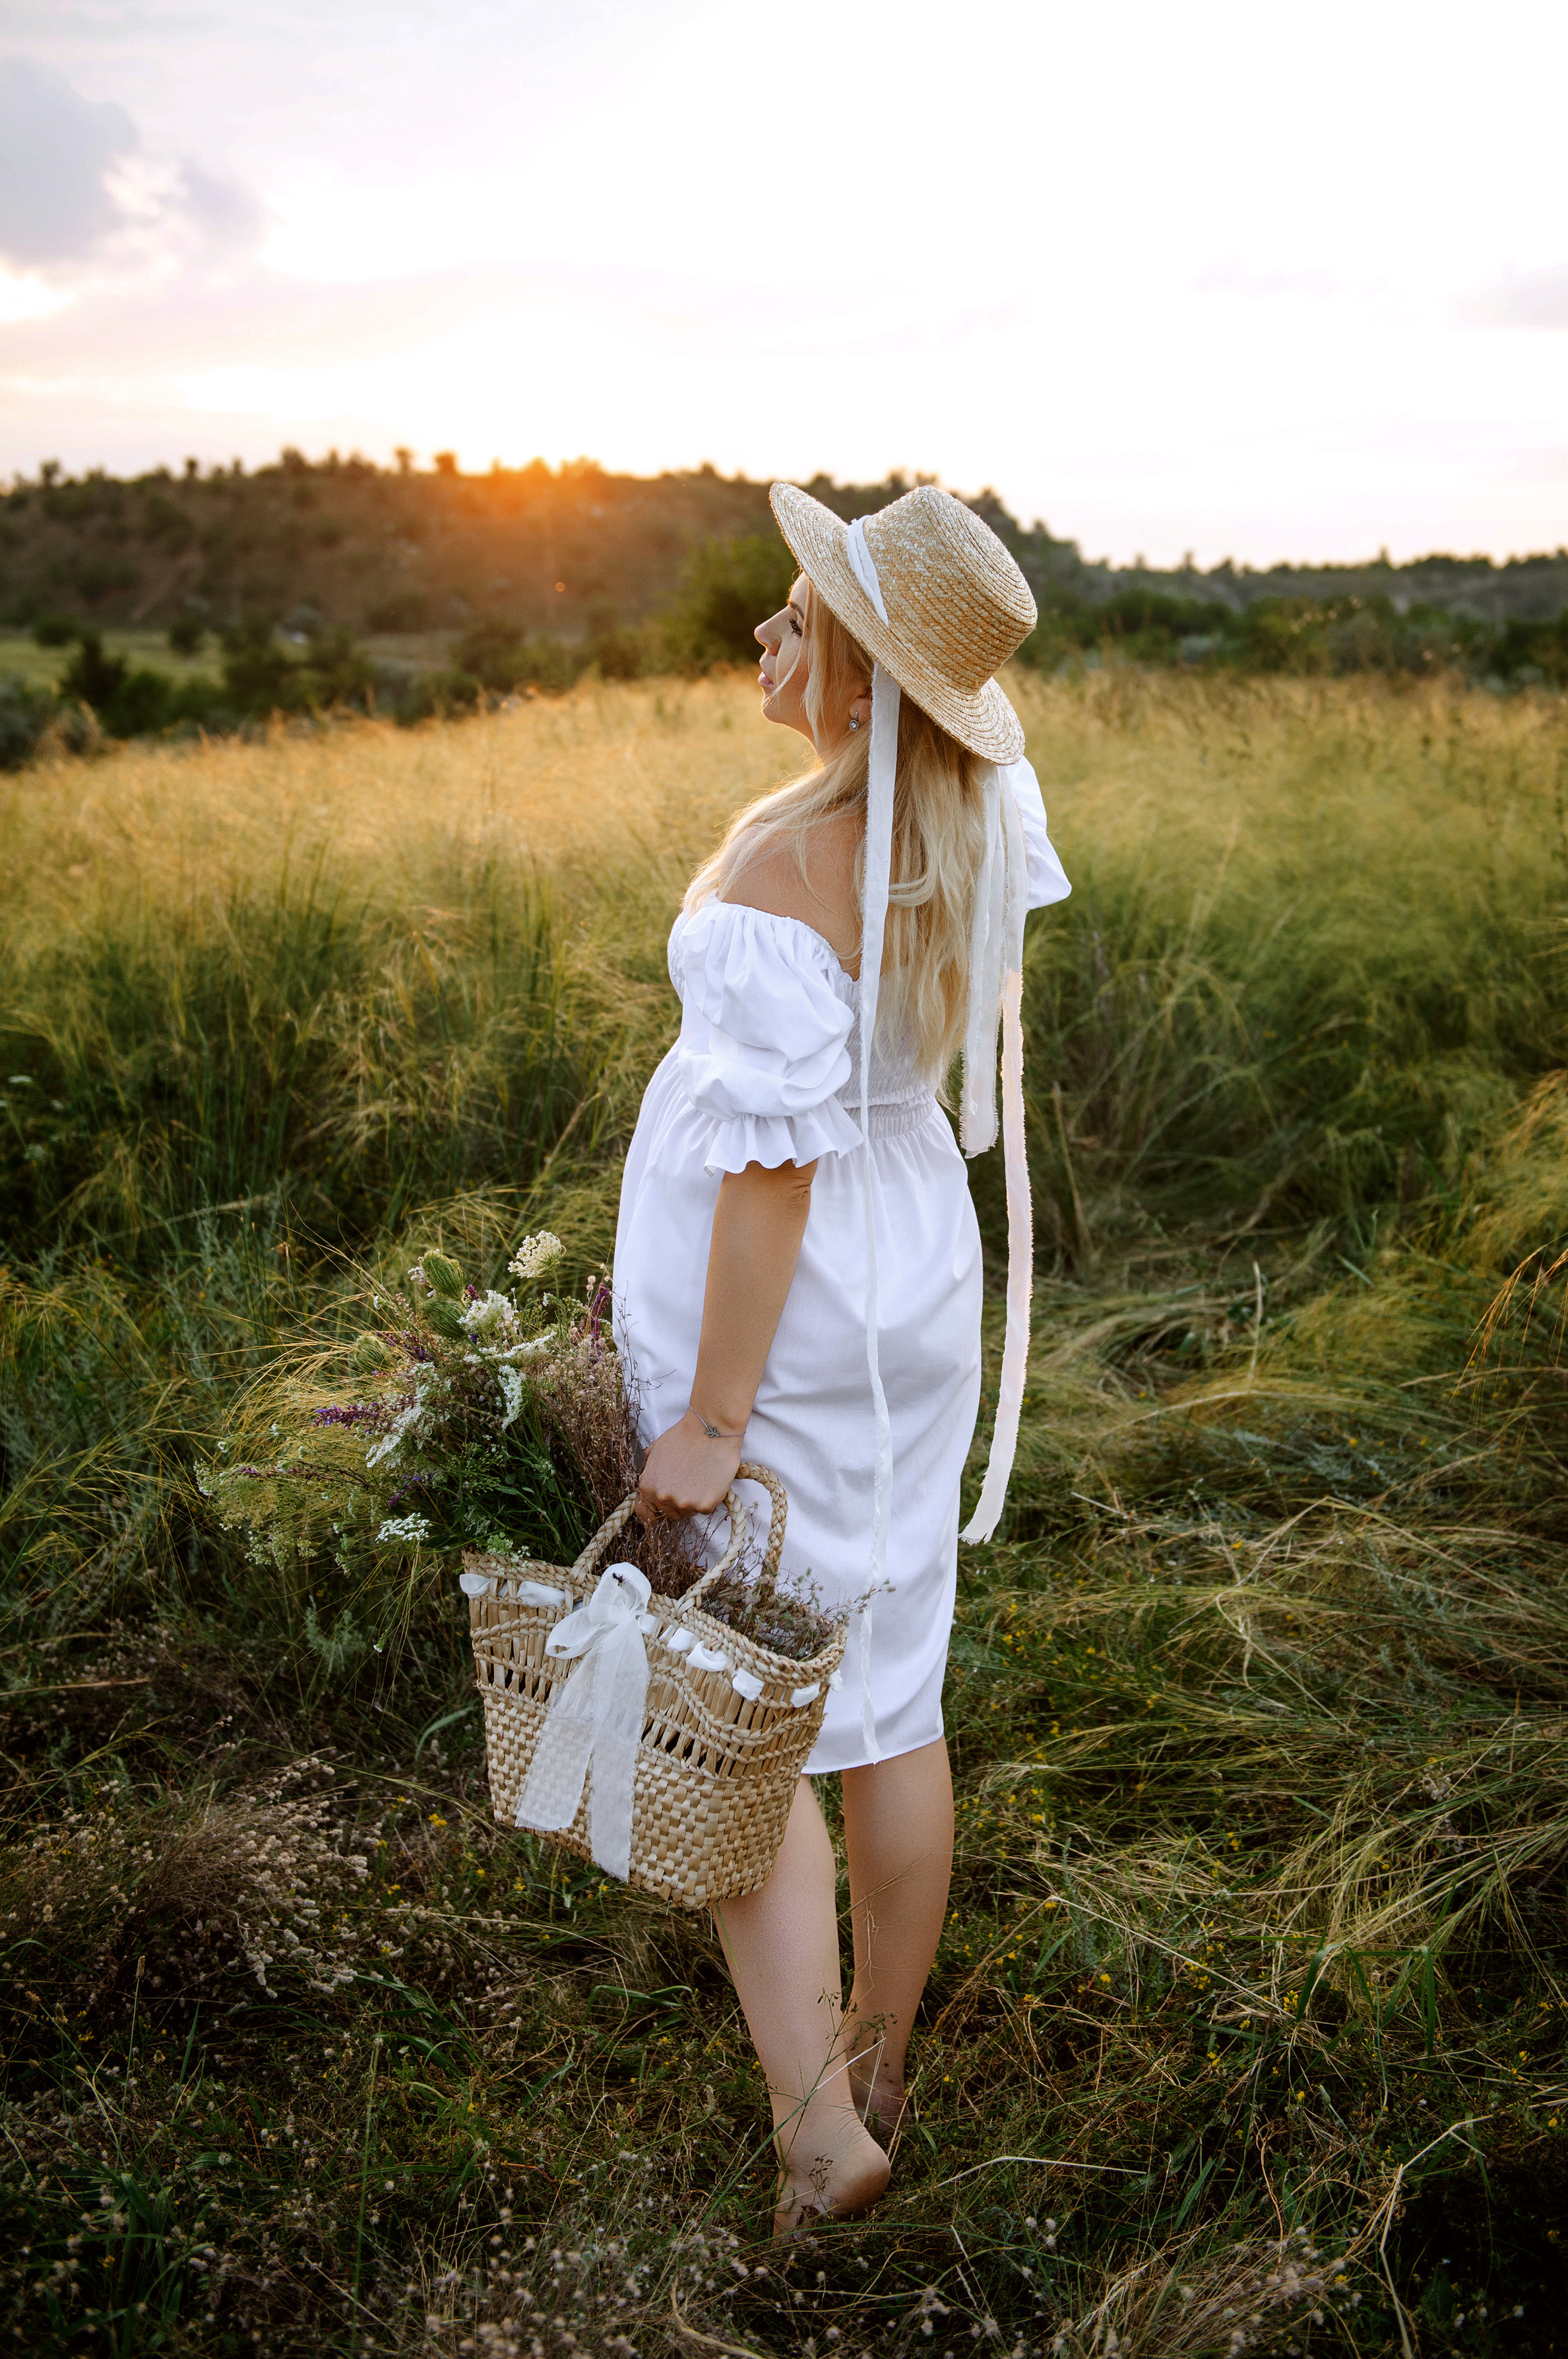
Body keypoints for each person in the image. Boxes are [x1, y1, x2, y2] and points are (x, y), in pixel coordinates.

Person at [614, 480, 1070, 2230]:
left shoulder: (784, 865)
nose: (763, 632)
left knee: (742, 1699)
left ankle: (820, 2128)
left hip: (787, 1322)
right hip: (909, 1292)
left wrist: (711, 1418)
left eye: (798, 619)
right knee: (889, 1689)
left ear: (871, 684)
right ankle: (877, 2058)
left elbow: (768, 1171)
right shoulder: (962, 822)